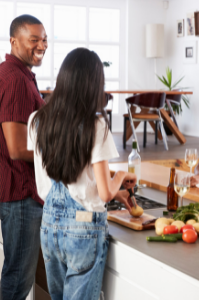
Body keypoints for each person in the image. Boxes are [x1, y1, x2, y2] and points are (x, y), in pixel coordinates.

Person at [27, 48, 136, 299]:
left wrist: (117, 193)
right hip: (83, 229)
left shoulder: (37, 119)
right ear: (94, 83)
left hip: (50, 225)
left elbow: (67, 169)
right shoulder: (95, 124)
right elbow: (105, 192)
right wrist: (119, 177)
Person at [0, 14, 47, 299]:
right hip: (21, 192)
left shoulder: (15, 74)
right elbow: (17, 149)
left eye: (44, 40)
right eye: (34, 40)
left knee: (16, 276)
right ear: (14, 41)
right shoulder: (16, 79)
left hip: (15, 189)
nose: (41, 45)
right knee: (18, 280)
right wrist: (56, 155)